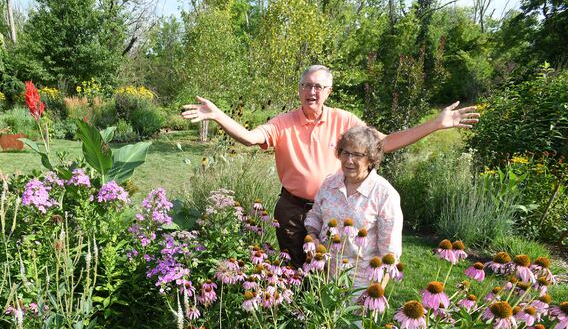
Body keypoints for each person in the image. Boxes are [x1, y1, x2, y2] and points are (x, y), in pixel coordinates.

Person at [181, 65, 479, 267]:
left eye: (319, 87)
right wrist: (219, 116)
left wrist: (435, 125)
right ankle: (296, 328)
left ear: (328, 92)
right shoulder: (283, 123)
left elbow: (383, 143)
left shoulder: (345, 121)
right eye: (307, 86)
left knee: (332, 268)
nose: (312, 92)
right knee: (295, 268)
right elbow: (249, 137)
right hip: (294, 209)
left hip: (336, 207)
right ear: (299, 89)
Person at [304, 126, 400, 286]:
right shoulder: (329, 184)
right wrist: (312, 237)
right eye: (345, 153)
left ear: (371, 158)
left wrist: (374, 294)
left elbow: (390, 252)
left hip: (360, 284)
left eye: (357, 155)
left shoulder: (384, 195)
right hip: (324, 278)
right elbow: (315, 216)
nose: (349, 160)